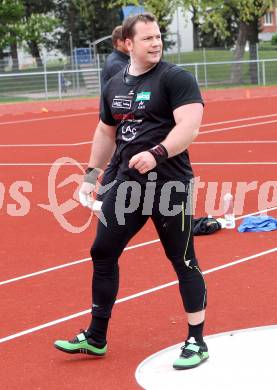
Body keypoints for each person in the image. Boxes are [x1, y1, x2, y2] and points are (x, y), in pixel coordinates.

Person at [54, 12, 208, 370]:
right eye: (147, 39)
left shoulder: (176, 78)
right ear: (128, 44)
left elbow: (190, 125)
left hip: (169, 184)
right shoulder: (114, 84)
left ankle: (196, 340)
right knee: (102, 252)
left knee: (183, 261)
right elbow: (106, 133)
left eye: (158, 37)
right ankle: (96, 337)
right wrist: (91, 176)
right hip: (126, 186)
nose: (156, 43)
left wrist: (157, 153)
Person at [96, 25, 130, 205]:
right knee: (117, 158)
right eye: (127, 39)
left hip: (121, 115)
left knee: (121, 157)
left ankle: (104, 197)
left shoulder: (122, 60)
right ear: (118, 42)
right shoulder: (117, 63)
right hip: (117, 117)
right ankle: (102, 198)